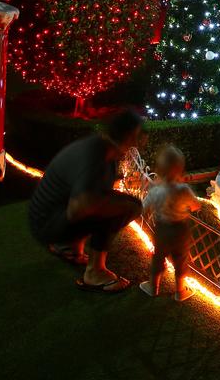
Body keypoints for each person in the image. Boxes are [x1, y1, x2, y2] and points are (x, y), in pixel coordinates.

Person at [28, 109, 144, 293]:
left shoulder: (100, 147)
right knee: (129, 206)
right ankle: (94, 272)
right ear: (128, 135)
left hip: (46, 219)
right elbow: (80, 207)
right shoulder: (97, 154)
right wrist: (119, 206)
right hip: (48, 224)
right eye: (136, 136)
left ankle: (67, 246)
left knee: (115, 203)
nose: (137, 142)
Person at [139, 145, 202, 301]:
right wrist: (189, 208)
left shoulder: (156, 191)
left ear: (159, 169)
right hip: (181, 229)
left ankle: (153, 287)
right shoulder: (183, 190)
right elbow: (195, 205)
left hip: (162, 229)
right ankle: (180, 291)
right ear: (180, 169)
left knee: (158, 257)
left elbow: (144, 208)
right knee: (181, 259)